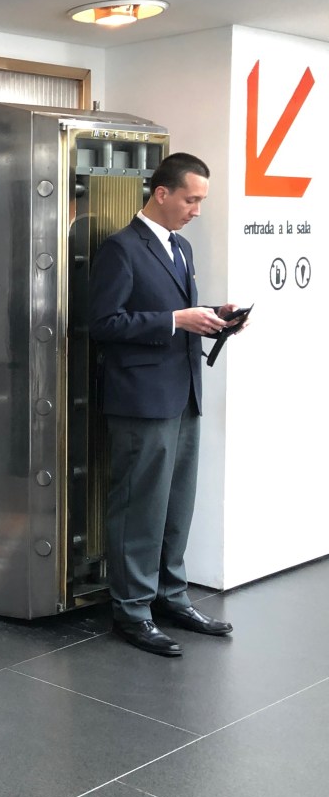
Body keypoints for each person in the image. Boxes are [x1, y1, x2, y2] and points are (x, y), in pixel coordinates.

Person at [89, 152, 246, 657]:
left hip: (182, 393)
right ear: (161, 193)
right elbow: (103, 324)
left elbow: (172, 311)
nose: (197, 210)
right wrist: (177, 320)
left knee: (176, 504)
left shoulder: (180, 247)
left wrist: (215, 316)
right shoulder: (121, 248)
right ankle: (132, 611)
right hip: (141, 400)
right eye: (191, 199)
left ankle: (171, 597)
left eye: (201, 200)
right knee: (139, 506)